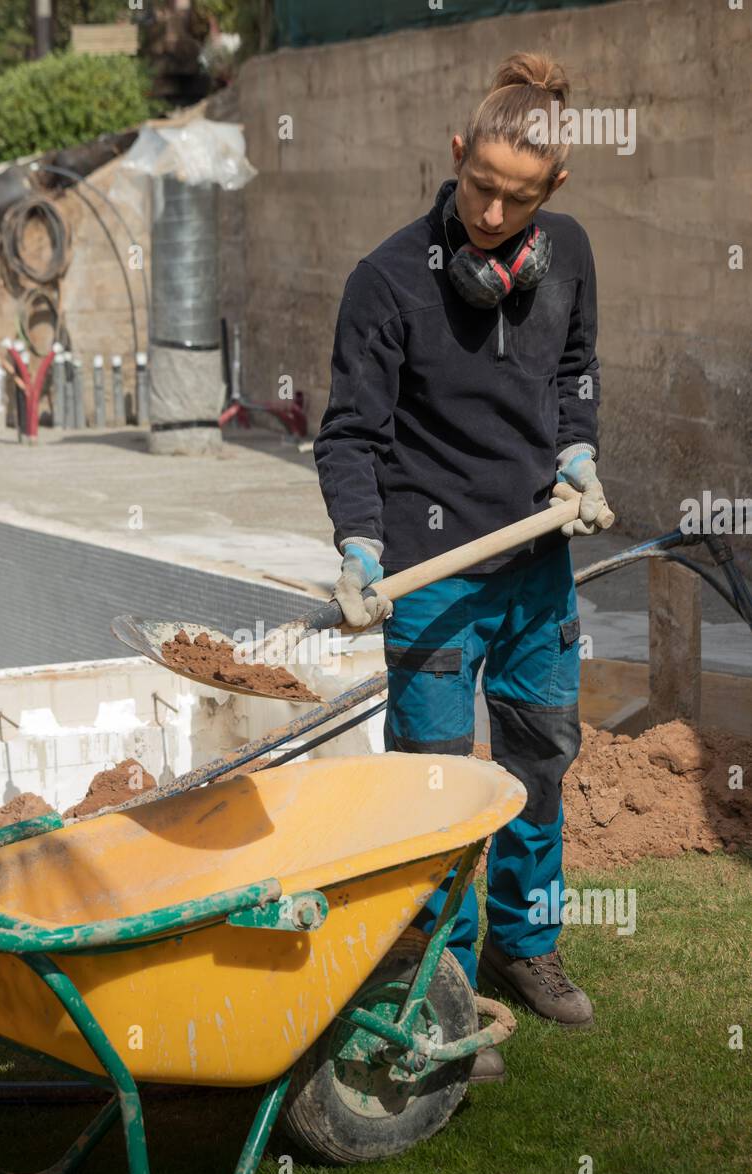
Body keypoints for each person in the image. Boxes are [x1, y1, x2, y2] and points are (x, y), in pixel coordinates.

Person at [314, 52, 615, 1081]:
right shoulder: (387, 279)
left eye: (516, 197)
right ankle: (436, 983)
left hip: (535, 568)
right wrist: (361, 541)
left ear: (553, 193)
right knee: (437, 793)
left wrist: (578, 451)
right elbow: (351, 433)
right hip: (434, 576)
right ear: (455, 155)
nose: (490, 211)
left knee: (539, 764)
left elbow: (576, 373)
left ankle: (526, 947)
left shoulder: (567, 253)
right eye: (479, 184)